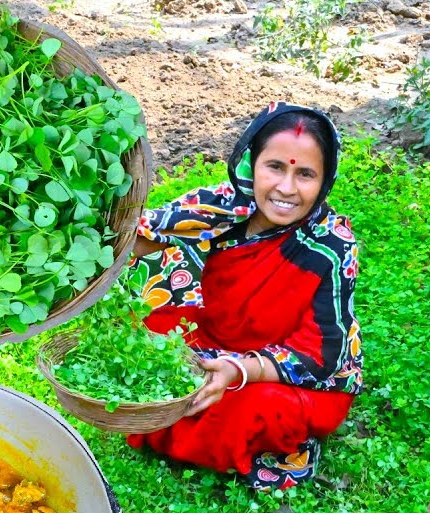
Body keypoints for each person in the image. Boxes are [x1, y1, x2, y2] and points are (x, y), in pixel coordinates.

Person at [124, 103, 362, 492]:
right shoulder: (226, 204)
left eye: (305, 174)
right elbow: (146, 232)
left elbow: (321, 356)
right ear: (252, 164)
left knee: (256, 410)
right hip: (220, 340)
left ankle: (202, 427)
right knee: (149, 333)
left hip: (288, 375)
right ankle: (185, 409)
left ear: (325, 180)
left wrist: (239, 371)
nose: (286, 188)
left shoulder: (331, 245)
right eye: (275, 167)